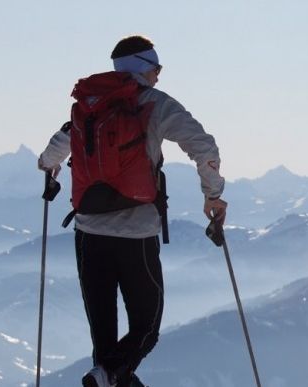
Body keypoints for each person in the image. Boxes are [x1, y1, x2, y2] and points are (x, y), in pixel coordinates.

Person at [38, 35, 227, 387]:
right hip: (136, 233)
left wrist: (49, 169)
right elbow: (204, 146)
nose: (159, 75)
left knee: (104, 341)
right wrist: (213, 195)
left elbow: (51, 153)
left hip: (88, 232)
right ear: (146, 67)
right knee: (146, 327)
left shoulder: (89, 106)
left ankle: (106, 375)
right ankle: (107, 376)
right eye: (157, 68)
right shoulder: (154, 103)